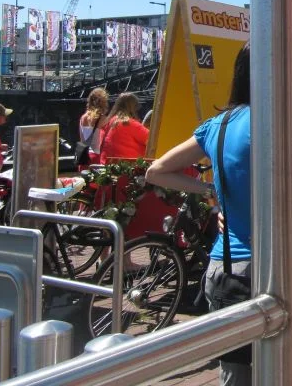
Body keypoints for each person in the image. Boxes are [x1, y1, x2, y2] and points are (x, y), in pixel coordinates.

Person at [146, 43, 251, 386]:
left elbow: (157, 171)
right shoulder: (283, 125)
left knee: (234, 375)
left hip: (225, 268)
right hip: (270, 269)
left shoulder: (217, 126)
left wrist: (210, 190)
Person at [99, 92, 149, 163]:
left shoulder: (109, 122)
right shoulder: (130, 124)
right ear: (134, 108)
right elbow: (153, 141)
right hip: (127, 167)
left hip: (106, 165)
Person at [79, 87, 110, 164]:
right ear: (104, 103)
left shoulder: (83, 117)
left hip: (83, 156)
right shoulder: (104, 119)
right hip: (96, 156)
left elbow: (82, 139)